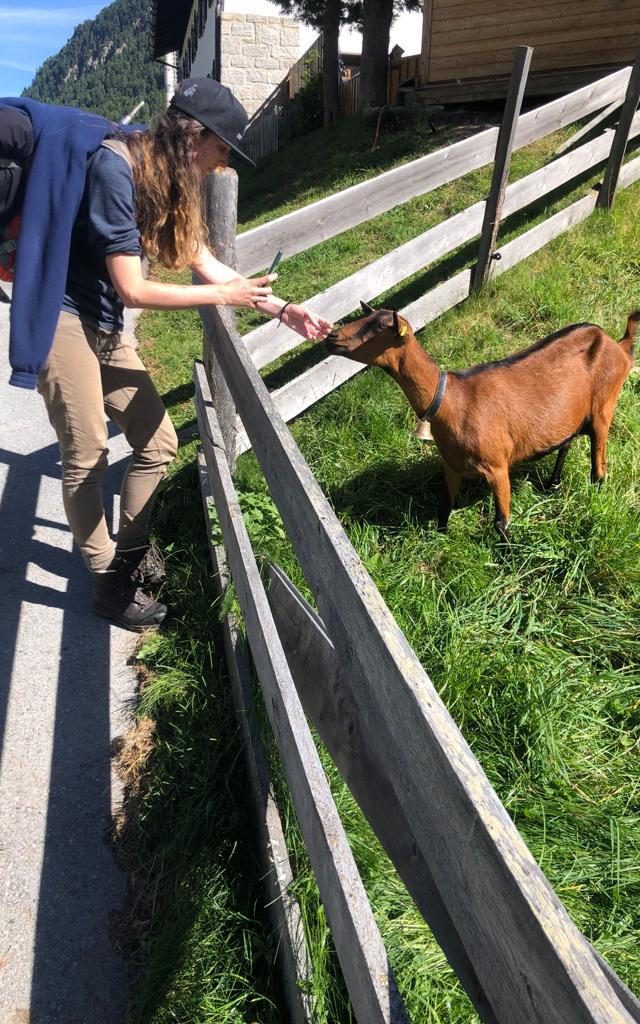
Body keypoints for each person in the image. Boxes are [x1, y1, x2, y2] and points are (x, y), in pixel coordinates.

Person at [2, 79, 332, 631]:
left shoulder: (163, 175)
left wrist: (282, 309)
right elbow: (135, 289)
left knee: (158, 441)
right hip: (63, 315)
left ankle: (128, 555)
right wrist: (224, 296)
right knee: (86, 454)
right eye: (223, 150)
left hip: (102, 319)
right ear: (194, 137)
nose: (223, 165)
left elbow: (200, 258)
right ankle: (107, 580)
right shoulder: (115, 166)